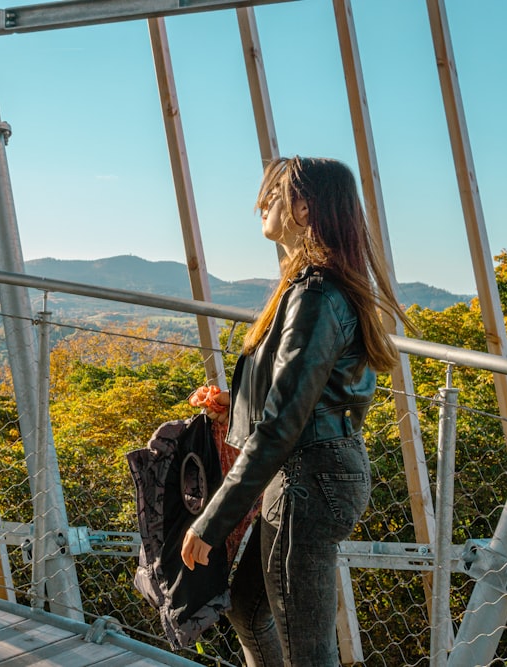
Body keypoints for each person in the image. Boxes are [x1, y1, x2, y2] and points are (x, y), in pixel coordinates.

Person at [182, 156, 414, 665]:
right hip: (312, 471)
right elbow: (309, 392)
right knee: (248, 609)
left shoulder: (316, 294)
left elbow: (288, 419)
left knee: (308, 651)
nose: (262, 204)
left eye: (274, 194)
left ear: (304, 209)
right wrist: (236, 406)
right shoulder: (313, 287)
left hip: (308, 480)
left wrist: (212, 520)